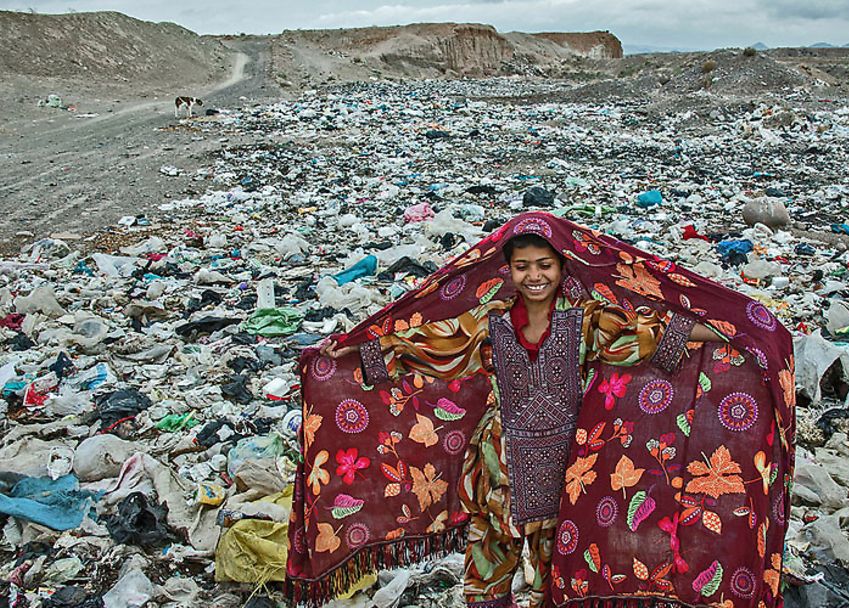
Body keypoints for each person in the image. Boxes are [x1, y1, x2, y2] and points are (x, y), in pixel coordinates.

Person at [288, 212, 795, 608]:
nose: (534, 276)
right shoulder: (488, 325)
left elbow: (648, 339)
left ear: (562, 268)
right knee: (488, 572)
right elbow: (425, 347)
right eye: (523, 266)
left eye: (544, 265)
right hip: (495, 472)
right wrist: (351, 351)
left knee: (561, 571)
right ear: (507, 270)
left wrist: (737, 333)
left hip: (568, 472)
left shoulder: (587, 323)